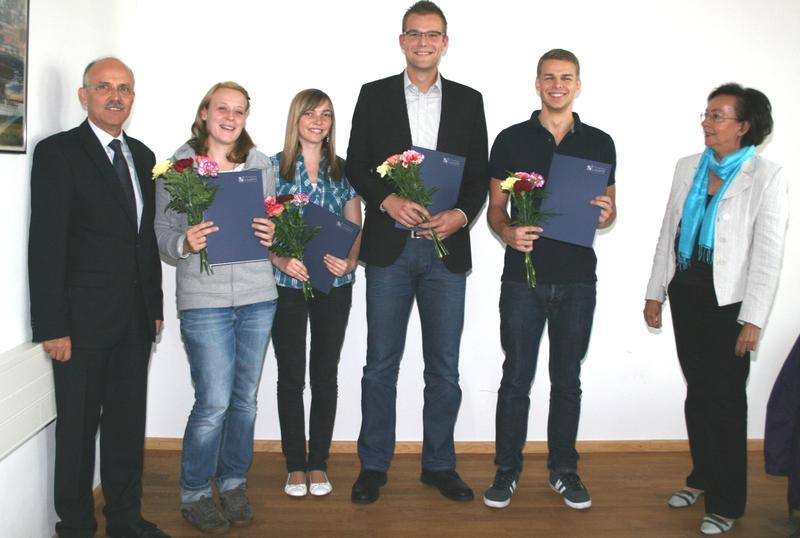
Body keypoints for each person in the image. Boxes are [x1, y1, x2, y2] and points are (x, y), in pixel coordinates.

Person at [345, 0, 488, 504]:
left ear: (445, 43)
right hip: (390, 251)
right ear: (401, 40)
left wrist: (462, 216)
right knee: (379, 364)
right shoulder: (374, 95)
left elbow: (477, 177)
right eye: (414, 33)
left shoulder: (470, 101)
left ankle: (439, 464)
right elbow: (356, 164)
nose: (423, 42)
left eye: (433, 34)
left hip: (446, 252)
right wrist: (386, 200)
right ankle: (373, 466)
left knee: (443, 367)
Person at [28, 57, 167, 538]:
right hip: (80, 325)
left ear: (133, 97)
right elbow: (46, 244)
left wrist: (154, 308)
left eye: (125, 88)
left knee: (127, 429)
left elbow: (143, 240)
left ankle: (126, 519)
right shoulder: (59, 153)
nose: (116, 96)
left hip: (133, 320)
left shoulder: (144, 156)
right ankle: (76, 525)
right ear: (84, 95)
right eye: (104, 87)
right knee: (77, 433)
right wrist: (52, 325)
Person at [644, 83, 788, 535]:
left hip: (730, 306)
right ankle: (702, 478)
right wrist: (656, 290)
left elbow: (768, 254)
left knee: (726, 402)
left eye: (718, 116)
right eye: (707, 114)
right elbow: (669, 230)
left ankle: (727, 503)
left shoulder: (766, 176)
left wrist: (755, 319)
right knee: (698, 394)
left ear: (744, 126)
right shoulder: (688, 167)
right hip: (687, 297)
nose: (707, 122)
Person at [483, 49, 616, 511]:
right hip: (522, 279)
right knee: (516, 379)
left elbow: (606, 209)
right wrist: (506, 231)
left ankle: (564, 471)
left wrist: (608, 212)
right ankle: (506, 470)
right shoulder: (509, 139)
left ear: (578, 84)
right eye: (549, 78)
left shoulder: (600, 143)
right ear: (537, 83)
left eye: (566, 78)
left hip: (578, 279)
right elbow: (495, 208)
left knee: (568, 381)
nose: (557, 85)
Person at [154, 82, 278, 534]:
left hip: (258, 296)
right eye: (222, 108)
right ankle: (194, 493)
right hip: (204, 300)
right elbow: (162, 230)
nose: (230, 117)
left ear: (246, 117)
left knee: (244, 401)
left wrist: (273, 232)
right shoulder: (177, 166)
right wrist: (184, 241)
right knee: (213, 402)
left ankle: (232, 484)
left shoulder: (261, 164)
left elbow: (275, 220)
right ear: (204, 112)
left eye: (239, 111)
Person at [270, 89, 362, 498]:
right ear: (296, 119)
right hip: (286, 285)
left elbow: (354, 225)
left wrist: (352, 262)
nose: (319, 120)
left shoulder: (343, 170)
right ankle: (294, 465)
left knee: (324, 375)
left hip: (333, 285)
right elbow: (257, 226)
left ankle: (319, 463)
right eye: (310, 113)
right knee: (290, 377)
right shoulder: (271, 168)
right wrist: (278, 260)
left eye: (326, 114)